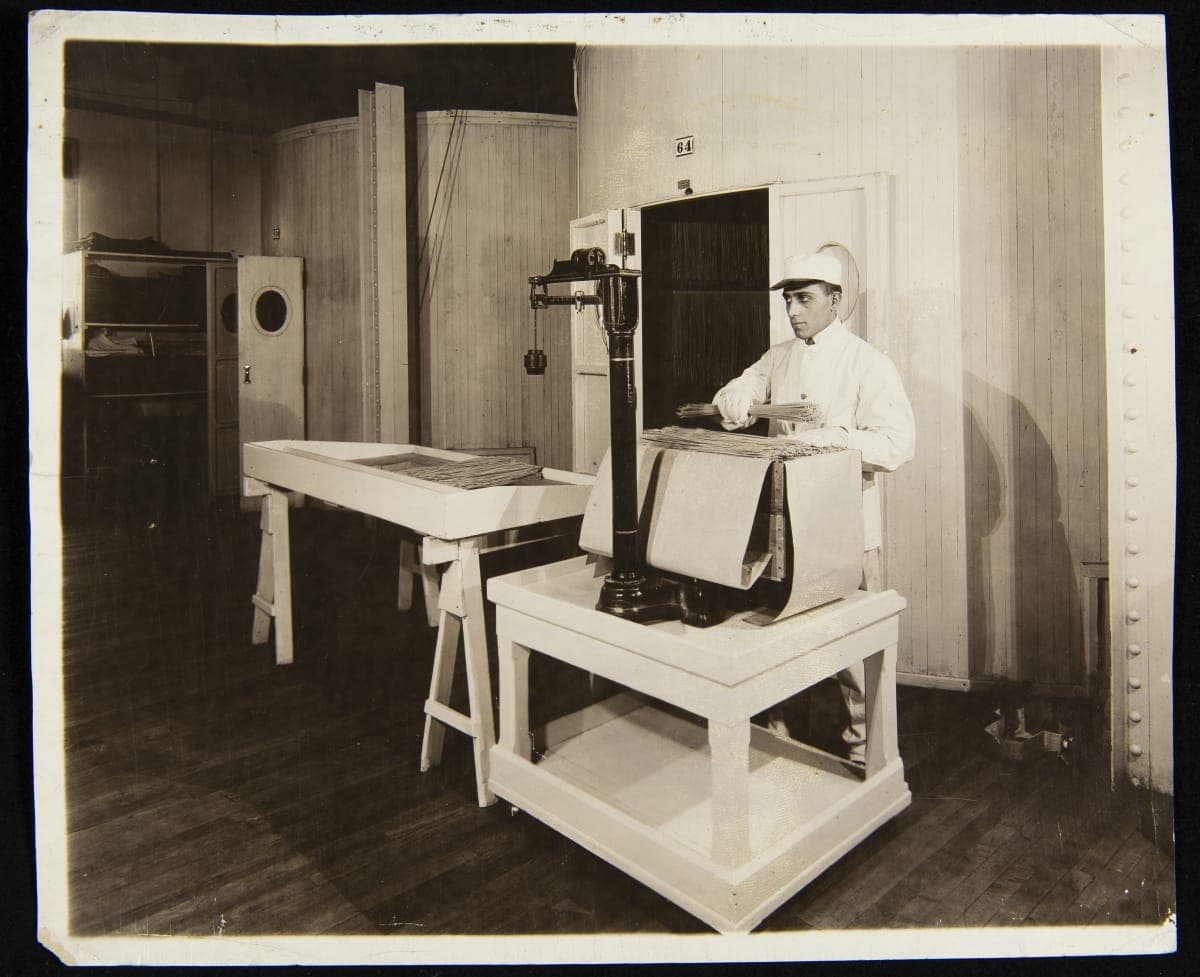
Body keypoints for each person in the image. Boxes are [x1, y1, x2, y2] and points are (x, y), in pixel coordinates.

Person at [712, 250, 916, 765]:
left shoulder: (868, 362)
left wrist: (835, 438)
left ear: (835, 300)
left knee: (854, 648)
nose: (793, 311)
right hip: (783, 526)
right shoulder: (779, 356)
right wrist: (735, 395)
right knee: (779, 635)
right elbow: (747, 387)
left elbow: (896, 445)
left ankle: (867, 752)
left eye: (804, 299)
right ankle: (779, 739)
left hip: (843, 527)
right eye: (788, 301)